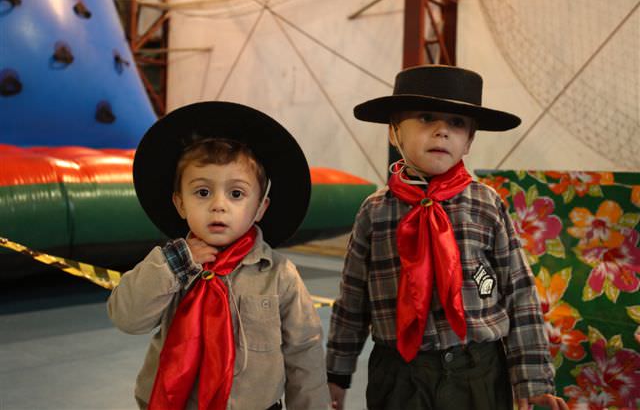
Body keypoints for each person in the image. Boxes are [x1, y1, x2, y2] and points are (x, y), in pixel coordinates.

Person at [326, 65, 568, 410]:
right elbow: (352, 298)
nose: (442, 131)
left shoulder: (486, 203)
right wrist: (336, 373)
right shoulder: (374, 211)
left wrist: (532, 379)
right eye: (426, 118)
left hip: (478, 372)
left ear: (468, 141)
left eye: (456, 123)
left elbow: (519, 290)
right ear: (394, 132)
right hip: (400, 376)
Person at [108, 101, 330, 410]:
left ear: (260, 208)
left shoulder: (279, 275)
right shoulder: (169, 266)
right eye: (202, 192)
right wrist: (175, 264)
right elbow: (127, 318)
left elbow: (304, 353)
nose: (218, 205)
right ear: (180, 203)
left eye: (236, 193)